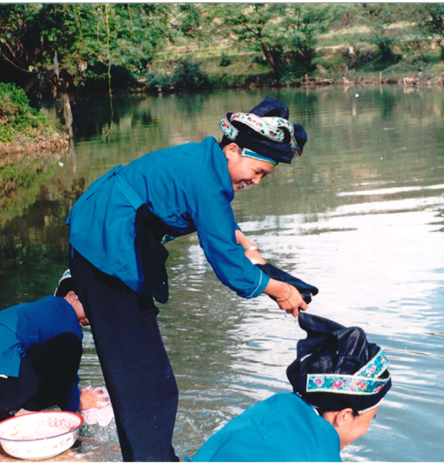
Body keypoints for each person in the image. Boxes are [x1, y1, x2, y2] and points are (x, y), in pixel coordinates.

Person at [66, 96, 310, 461]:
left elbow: (219, 223)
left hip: (111, 237)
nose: (256, 182)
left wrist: (244, 243)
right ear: (232, 150)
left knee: (151, 377)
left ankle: (154, 455)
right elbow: (229, 268)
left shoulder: (205, 163)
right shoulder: (206, 181)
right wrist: (279, 290)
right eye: (257, 171)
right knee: (142, 378)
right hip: (104, 244)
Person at [192, 312, 392, 462]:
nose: (367, 428)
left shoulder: (275, 405)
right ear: (345, 416)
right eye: (370, 418)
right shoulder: (320, 456)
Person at [0, 270, 102, 430]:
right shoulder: (66, 316)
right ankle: (21, 421)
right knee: (70, 345)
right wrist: (78, 403)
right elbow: (66, 379)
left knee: (19, 361)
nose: (95, 315)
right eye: (91, 305)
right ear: (71, 296)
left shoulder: (35, 312)